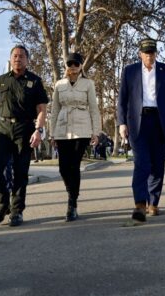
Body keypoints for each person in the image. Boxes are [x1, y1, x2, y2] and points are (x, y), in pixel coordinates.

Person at [0, 45, 48, 227]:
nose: (17, 59)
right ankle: (2, 205)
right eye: (14, 56)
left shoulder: (35, 81)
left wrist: (39, 130)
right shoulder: (1, 80)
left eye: (21, 56)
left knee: (20, 172)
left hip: (25, 129)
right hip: (2, 128)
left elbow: (42, 109)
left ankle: (16, 211)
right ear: (10, 59)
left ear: (27, 60)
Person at [118, 38, 165, 222]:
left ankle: (153, 202)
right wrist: (122, 123)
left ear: (156, 53)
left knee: (157, 165)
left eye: (152, 52)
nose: (149, 56)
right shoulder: (129, 71)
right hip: (137, 123)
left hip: (160, 122)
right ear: (140, 54)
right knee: (142, 163)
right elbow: (122, 99)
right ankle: (139, 205)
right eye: (146, 52)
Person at [49, 52, 101, 222]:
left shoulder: (88, 84)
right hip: (62, 129)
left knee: (74, 165)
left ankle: (72, 203)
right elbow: (55, 110)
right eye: (69, 64)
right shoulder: (59, 84)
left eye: (76, 64)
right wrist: (52, 133)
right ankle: (72, 192)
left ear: (80, 67)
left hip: (82, 129)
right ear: (66, 66)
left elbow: (93, 108)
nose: (72, 67)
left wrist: (96, 132)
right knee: (63, 168)